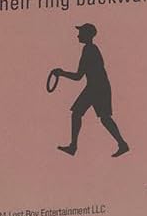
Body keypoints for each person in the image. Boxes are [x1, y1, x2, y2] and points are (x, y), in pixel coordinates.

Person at [51, 23, 129, 157]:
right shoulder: (90, 49)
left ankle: (74, 147)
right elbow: (80, 75)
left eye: (80, 33)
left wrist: (61, 73)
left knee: (89, 115)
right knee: (96, 117)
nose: (78, 35)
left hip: (96, 88)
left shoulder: (89, 50)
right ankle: (121, 144)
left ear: (87, 35)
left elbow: (78, 76)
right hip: (98, 86)